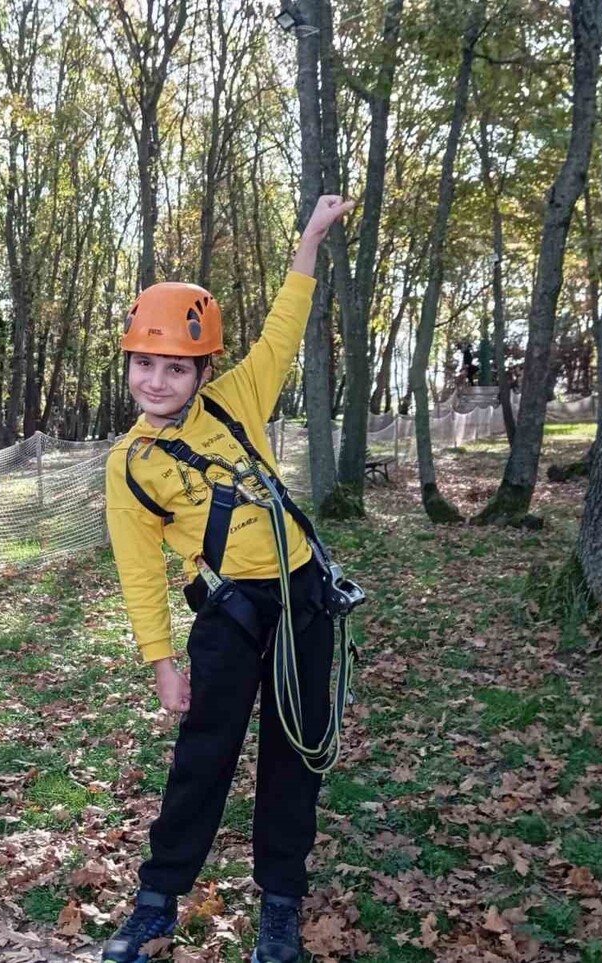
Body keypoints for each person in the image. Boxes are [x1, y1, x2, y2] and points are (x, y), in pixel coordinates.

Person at [102, 195, 357, 963]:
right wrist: (160, 661)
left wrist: (309, 241)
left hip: (303, 601)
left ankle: (279, 906)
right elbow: (140, 569)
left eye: (173, 366)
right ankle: (156, 900)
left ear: (201, 369)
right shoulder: (132, 465)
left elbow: (284, 326)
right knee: (202, 757)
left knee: (295, 755)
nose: (155, 380)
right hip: (232, 613)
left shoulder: (238, 400)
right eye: (143, 363)